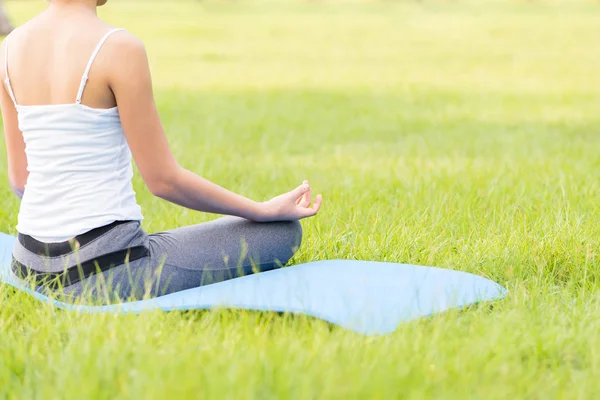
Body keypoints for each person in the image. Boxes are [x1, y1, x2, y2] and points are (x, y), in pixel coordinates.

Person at [0, 0, 322, 304]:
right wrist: (261, 210)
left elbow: (20, 180)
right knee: (281, 232)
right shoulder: (118, 48)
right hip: (104, 270)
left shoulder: (9, 48)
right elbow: (164, 181)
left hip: (28, 266)